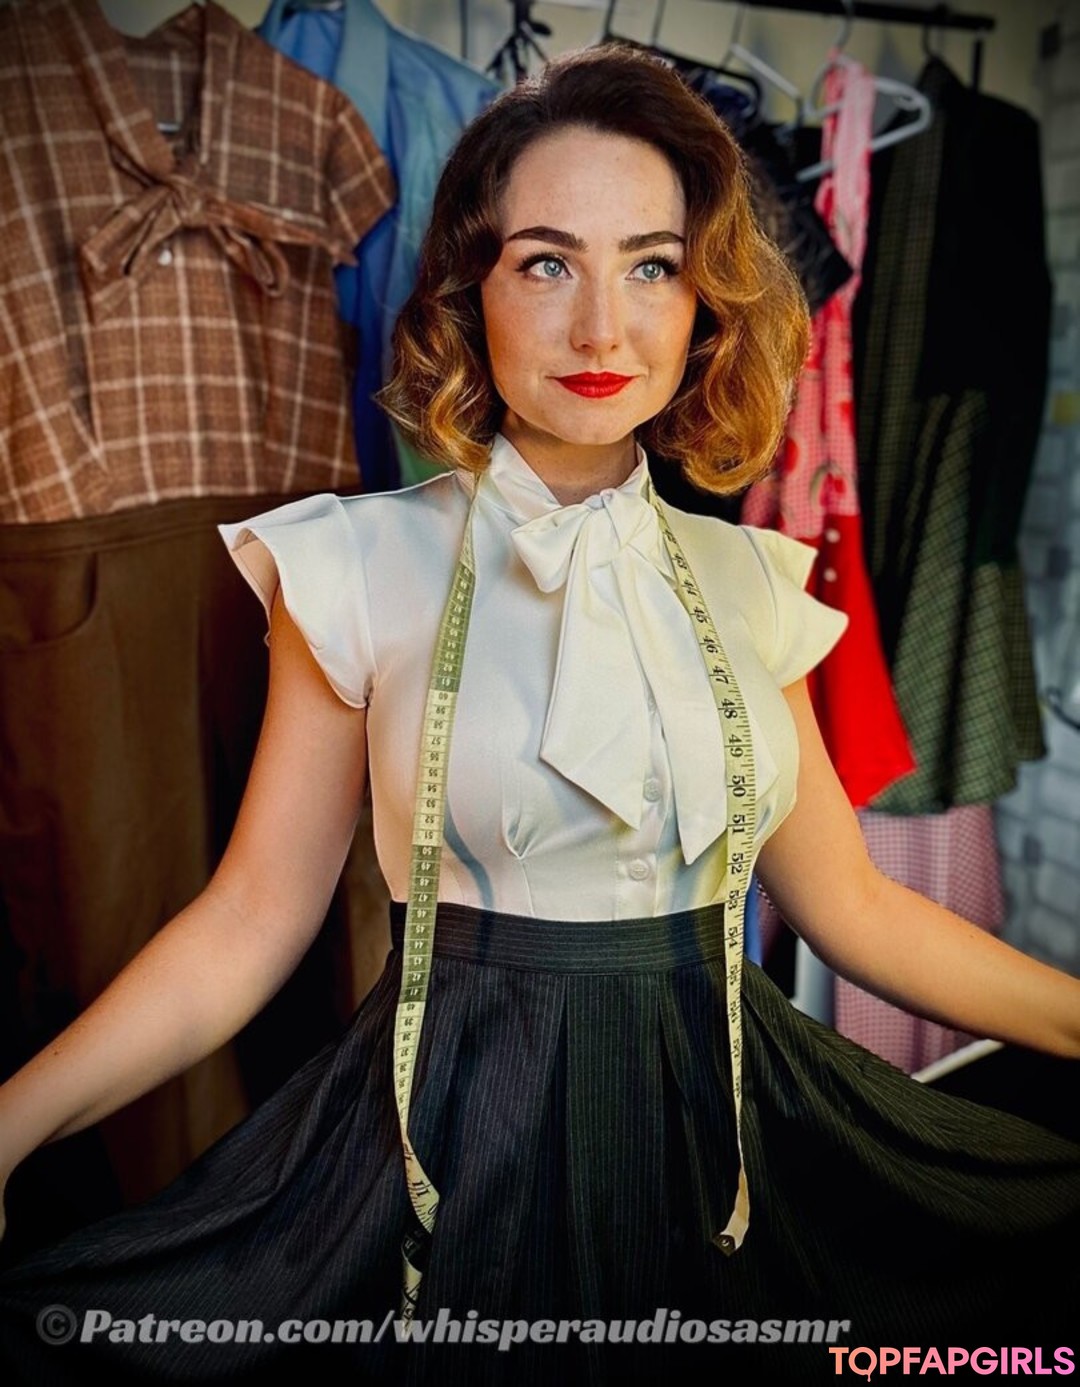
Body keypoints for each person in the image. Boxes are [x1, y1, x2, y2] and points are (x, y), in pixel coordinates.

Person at [1, 43, 1078, 1387]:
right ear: (472, 292)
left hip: (719, 1142)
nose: (603, 330)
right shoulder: (354, 564)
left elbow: (855, 910)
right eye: (548, 264)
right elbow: (251, 922)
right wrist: (10, 1123)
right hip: (448, 1150)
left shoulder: (754, 583)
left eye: (652, 266)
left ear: (704, 303)